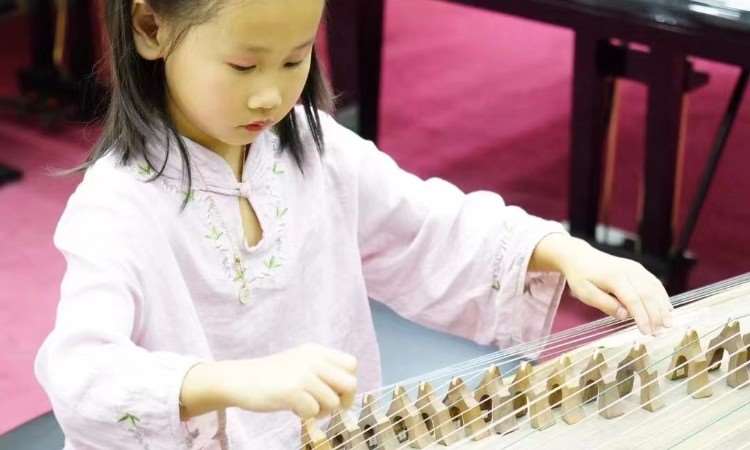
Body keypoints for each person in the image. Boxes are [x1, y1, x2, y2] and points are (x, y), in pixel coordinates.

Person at [34, 0, 673, 448]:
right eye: (243, 66)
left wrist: (561, 251)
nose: (270, 95)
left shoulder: (314, 146)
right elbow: (82, 371)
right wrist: (231, 382)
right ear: (150, 27)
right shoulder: (119, 204)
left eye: (295, 60)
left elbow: (426, 226)